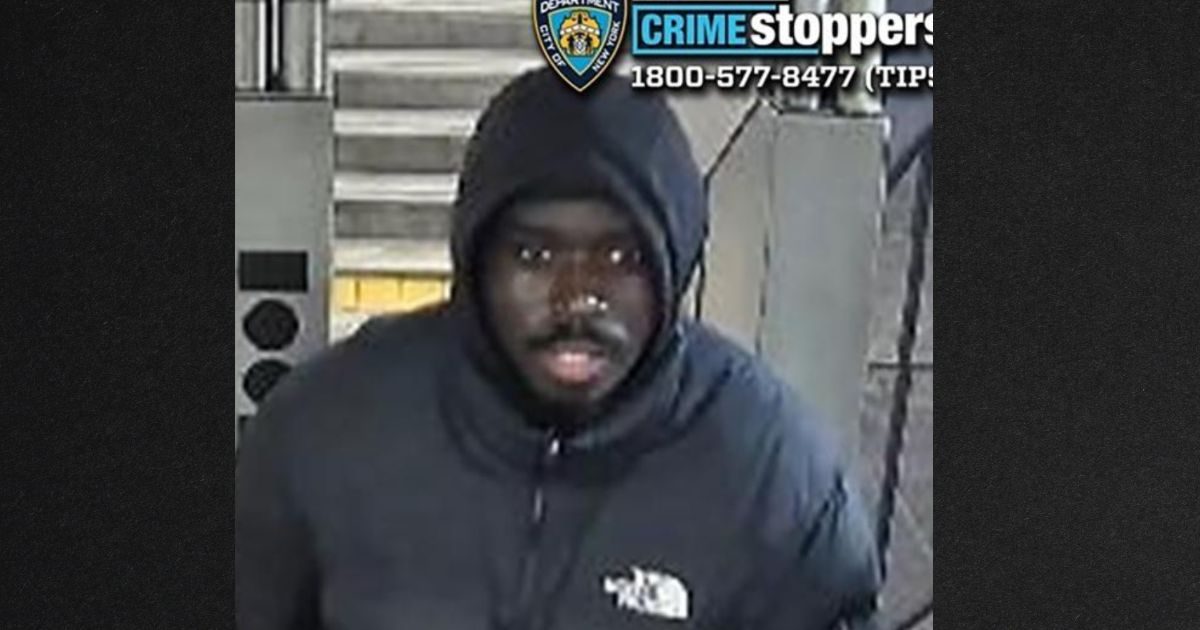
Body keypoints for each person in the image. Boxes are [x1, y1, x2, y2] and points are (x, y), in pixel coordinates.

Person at [236, 68, 881, 630]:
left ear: (673, 264)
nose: (576, 298)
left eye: (620, 257)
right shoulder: (325, 429)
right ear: (476, 262)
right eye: (533, 254)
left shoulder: (775, 480)